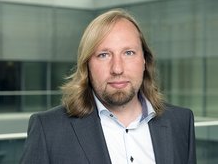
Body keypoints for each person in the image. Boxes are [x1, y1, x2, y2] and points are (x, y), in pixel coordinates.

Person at [20, 9, 196, 164]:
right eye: (104, 55)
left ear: (144, 60)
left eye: (128, 53)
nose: (117, 68)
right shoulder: (49, 129)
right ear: (87, 65)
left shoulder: (181, 122)